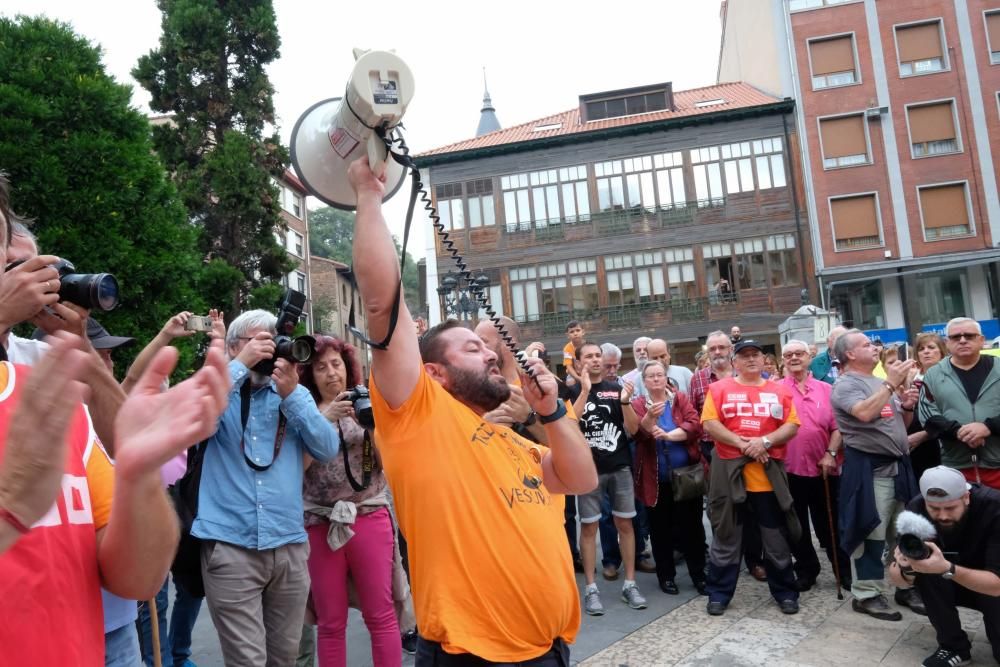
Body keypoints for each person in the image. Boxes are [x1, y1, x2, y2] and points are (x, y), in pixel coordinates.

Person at [349, 158, 596, 666]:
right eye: (469, 348)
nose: (490, 353)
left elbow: (580, 478)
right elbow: (380, 307)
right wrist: (368, 198)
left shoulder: (513, 441)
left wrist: (551, 413)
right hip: (470, 656)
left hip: (549, 652)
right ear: (434, 373)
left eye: (486, 347)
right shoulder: (418, 418)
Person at [192, 309, 342, 666]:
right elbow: (195, 418)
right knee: (247, 661)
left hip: (288, 547)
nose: (269, 351)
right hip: (230, 547)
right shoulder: (218, 387)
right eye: (258, 342)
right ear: (233, 347)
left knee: (284, 658)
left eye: (272, 343)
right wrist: (239, 365)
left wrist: (293, 396)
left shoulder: (291, 393)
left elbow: (326, 448)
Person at [299, 335, 402, 667]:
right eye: (320, 367)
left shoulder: (367, 405)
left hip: (368, 515)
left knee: (381, 614)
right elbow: (295, 470)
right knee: (330, 622)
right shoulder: (304, 413)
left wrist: (370, 428)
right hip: (320, 523)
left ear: (348, 367)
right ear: (310, 375)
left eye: (336, 364)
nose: (331, 373)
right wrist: (323, 421)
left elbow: (386, 466)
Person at [131, 311, 225, 667]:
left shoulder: (180, 405)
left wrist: (219, 339)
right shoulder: (129, 404)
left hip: (184, 508)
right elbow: (133, 376)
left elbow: (218, 387)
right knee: (155, 598)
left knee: (190, 587)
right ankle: (161, 659)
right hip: (147, 510)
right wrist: (165, 334)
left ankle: (179, 653)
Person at [701, 339, 801, 616]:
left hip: (767, 478)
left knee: (775, 539)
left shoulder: (779, 391)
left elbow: (792, 425)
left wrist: (765, 441)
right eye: (744, 356)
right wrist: (743, 444)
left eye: (755, 354)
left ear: (764, 360)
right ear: (735, 362)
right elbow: (709, 423)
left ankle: (785, 592)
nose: (750, 359)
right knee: (726, 536)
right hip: (729, 475)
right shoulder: (719, 389)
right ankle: (718, 594)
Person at [831, 329, 921, 621]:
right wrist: (890, 384)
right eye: (866, 344)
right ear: (850, 354)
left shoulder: (876, 382)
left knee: (904, 530)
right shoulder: (846, 385)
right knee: (872, 531)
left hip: (899, 466)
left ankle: (904, 585)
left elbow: (899, 424)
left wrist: (906, 405)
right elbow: (864, 414)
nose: (874, 347)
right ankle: (867, 593)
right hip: (872, 470)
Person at [889, 466, 1000, 666]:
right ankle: (953, 646)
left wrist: (946, 568)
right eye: (934, 509)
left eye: (950, 508)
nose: (943, 516)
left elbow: (997, 585)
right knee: (926, 571)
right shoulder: (916, 510)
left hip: (992, 581)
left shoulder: (994, 506)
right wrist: (906, 567)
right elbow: (899, 581)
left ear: (966, 497)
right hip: (950, 580)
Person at [568, 341, 647, 615]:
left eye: (598, 355)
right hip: (587, 471)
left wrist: (625, 401)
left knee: (625, 524)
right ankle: (591, 588)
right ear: (578, 363)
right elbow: (568, 424)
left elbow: (635, 429)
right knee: (589, 529)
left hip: (619, 467)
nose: (594, 360)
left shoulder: (616, 390)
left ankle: (630, 584)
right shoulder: (572, 391)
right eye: (588, 356)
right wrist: (586, 391)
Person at [631, 360, 707, 595]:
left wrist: (668, 435)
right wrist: (649, 420)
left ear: (666, 377)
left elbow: (695, 425)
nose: (655, 379)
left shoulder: (680, 398)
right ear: (644, 381)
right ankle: (666, 576)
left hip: (685, 476)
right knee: (660, 530)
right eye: (651, 376)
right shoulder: (638, 404)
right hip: (656, 478)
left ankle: (699, 575)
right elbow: (640, 435)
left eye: (659, 375)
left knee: (692, 528)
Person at [780, 340, 850, 592]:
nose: (794, 358)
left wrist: (831, 453)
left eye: (799, 353)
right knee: (795, 526)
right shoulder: (776, 390)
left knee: (828, 524)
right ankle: (807, 569)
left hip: (824, 468)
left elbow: (838, 427)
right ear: (783, 360)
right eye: (788, 355)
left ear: (810, 356)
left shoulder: (826, 389)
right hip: (788, 471)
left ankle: (842, 571)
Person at [919, 318, 1000, 490]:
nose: (962, 340)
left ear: (981, 340)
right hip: (956, 469)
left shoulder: (998, 368)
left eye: (969, 336)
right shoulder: (933, 374)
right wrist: (961, 433)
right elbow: (928, 416)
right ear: (947, 343)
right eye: (956, 337)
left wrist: (988, 427)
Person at [908, 332, 947, 480]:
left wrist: (926, 434)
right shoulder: (911, 378)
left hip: (942, 441)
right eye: (921, 348)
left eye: (931, 347)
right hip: (916, 448)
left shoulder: (949, 376)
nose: (926, 351)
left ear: (942, 351)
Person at [621, 336, 652, 400]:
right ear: (634, 354)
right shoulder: (625, 379)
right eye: (638, 350)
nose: (642, 352)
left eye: (646, 349)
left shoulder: (661, 374)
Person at [562, 320, 585, 386]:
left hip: (587, 371)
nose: (575, 333)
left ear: (583, 332)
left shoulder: (588, 346)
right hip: (573, 373)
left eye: (578, 330)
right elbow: (569, 366)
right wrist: (577, 378)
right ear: (568, 335)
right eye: (572, 332)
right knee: (570, 382)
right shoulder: (567, 348)